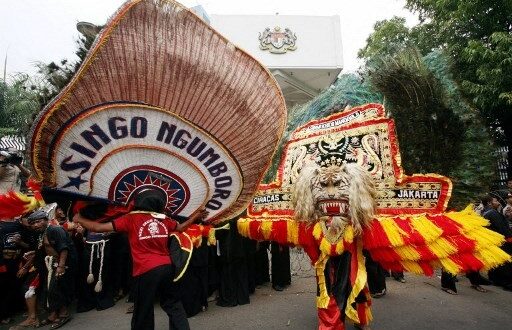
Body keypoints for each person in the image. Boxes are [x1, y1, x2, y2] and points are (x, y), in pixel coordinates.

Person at [74, 189, 208, 330]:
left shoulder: (131, 218)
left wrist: (80, 219)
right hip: (167, 267)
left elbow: (97, 227)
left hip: (145, 270)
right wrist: (195, 217)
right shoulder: (164, 219)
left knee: (143, 310)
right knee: (173, 305)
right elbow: (180, 228)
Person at [28, 207, 77, 329]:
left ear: (45, 220)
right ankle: (53, 314)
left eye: (38, 221)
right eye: (33, 223)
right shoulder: (42, 233)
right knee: (49, 290)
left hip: (60, 264)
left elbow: (64, 248)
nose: (35, 225)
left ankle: (63, 314)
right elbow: (45, 248)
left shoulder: (55, 230)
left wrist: (61, 266)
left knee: (57, 289)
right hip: (49, 265)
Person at [481, 194, 512, 291]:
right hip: (501, 241)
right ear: (489, 203)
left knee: (496, 262)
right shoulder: (493, 213)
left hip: (493, 241)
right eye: (496, 201)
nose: (498, 203)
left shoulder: (485, 212)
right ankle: (508, 284)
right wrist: (509, 238)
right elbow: (502, 228)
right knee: (505, 263)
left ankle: (495, 280)